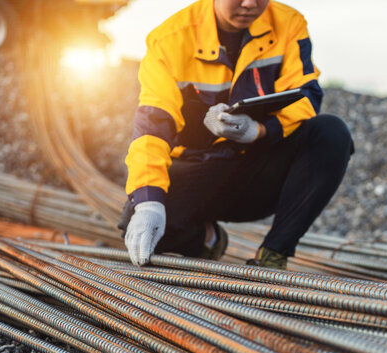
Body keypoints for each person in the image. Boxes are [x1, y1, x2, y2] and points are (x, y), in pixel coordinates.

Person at [118, 0, 354, 269]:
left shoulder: (288, 23)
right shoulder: (169, 40)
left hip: (260, 174)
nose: (250, 4)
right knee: (137, 224)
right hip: (201, 175)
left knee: (331, 133)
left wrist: (260, 131)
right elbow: (153, 127)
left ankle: (273, 254)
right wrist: (149, 201)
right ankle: (208, 239)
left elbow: (307, 95)